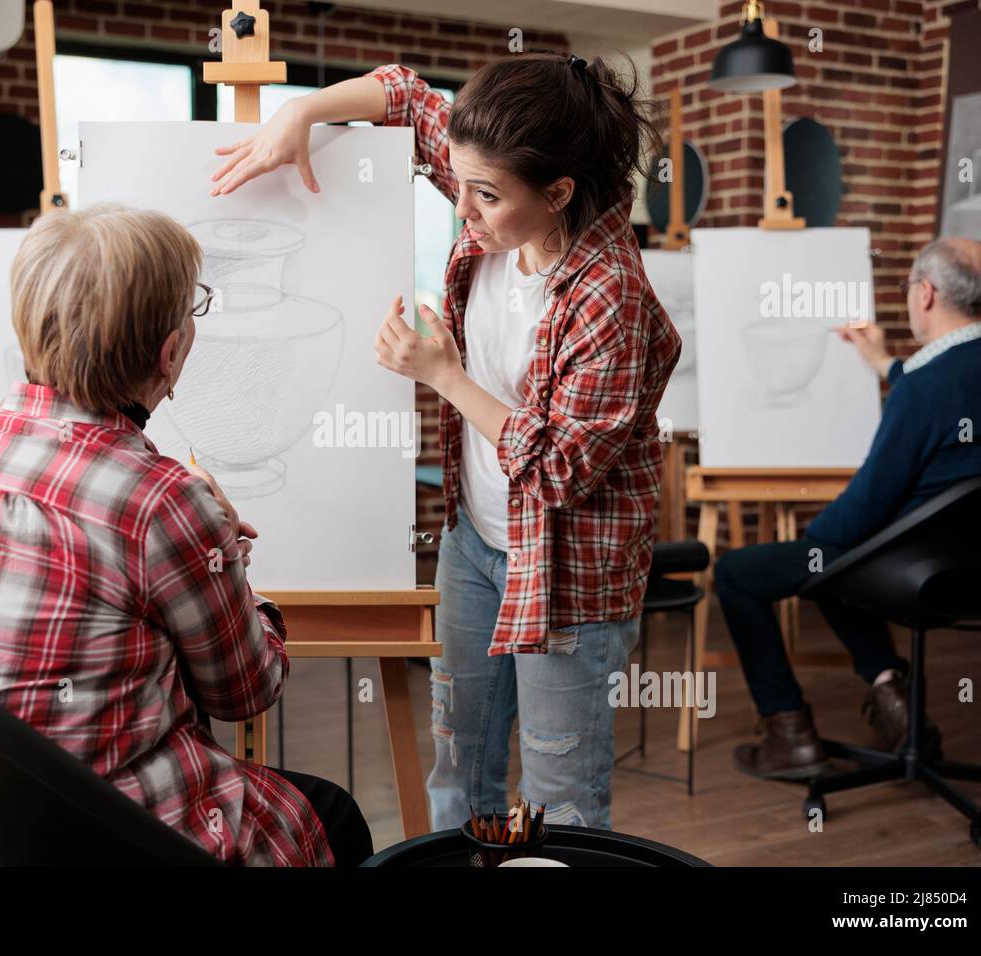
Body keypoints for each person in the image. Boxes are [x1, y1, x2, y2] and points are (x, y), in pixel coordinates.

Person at [211, 54, 681, 830]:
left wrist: (446, 376)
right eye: (458, 181)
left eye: (486, 196)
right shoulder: (493, 185)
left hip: (568, 572)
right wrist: (302, 113)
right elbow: (405, 96)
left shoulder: (609, 294)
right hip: (473, 546)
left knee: (562, 794)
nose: (461, 205)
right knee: (459, 771)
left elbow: (561, 469)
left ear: (559, 193)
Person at [0, 205, 373, 867]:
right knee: (332, 815)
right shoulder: (162, 499)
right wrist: (227, 557)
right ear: (170, 352)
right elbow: (246, 691)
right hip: (79, 834)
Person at [718, 237, 981, 779]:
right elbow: (961, 391)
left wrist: (814, 537)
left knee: (746, 571)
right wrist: (884, 363)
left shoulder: (925, 390)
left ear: (925, 294)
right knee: (838, 557)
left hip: (918, 571)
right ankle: (894, 704)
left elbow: (862, 513)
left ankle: (790, 736)